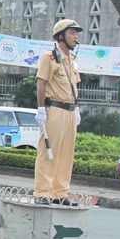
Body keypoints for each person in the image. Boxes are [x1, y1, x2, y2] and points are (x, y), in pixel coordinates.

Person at [33, 19, 84, 206]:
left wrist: (77, 107)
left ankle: (60, 192)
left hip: (70, 110)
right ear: (61, 36)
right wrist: (41, 108)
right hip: (54, 108)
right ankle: (43, 192)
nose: (75, 37)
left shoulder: (72, 60)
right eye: (72, 33)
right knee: (49, 151)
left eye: (75, 33)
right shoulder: (50, 57)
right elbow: (41, 83)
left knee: (66, 153)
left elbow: (73, 87)